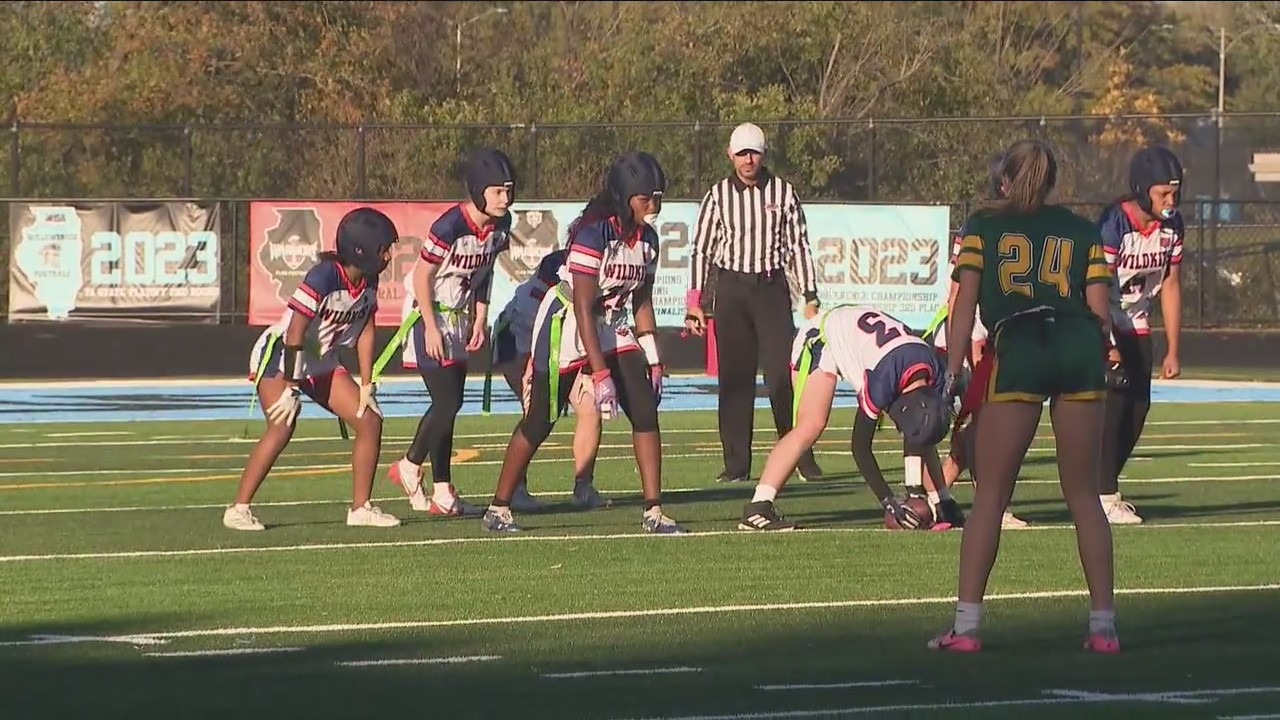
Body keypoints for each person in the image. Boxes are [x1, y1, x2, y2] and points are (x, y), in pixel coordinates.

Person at [929, 139, 1119, 654]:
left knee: (991, 496)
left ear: (1004, 180)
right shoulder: (1082, 232)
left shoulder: (984, 225)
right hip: (1078, 347)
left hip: (1022, 348)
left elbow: (963, 305)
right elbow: (1100, 316)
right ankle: (1103, 629)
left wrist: (952, 371)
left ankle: (966, 628)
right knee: (1084, 496)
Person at [482, 152, 683, 535]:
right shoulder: (594, 235)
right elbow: (584, 307)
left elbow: (642, 301)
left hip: (612, 323)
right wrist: (602, 373)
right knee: (540, 418)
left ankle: (654, 511)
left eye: (658, 197)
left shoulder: (648, 240)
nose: (654, 206)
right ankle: (499, 507)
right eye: (646, 198)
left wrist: (653, 357)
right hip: (567, 324)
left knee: (644, 408)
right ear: (625, 197)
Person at [225, 208, 401, 531]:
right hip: (282, 356)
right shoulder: (324, 276)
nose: (389, 255)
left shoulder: (369, 280)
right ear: (361, 249)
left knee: (370, 421)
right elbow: (295, 331)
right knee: (282, 426)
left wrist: (366, 382)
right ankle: (238, 508)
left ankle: (361, 508)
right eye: (383, 249)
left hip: (321, 359)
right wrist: (291, 386)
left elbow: (366, 329)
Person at [738, 305, 962, 532]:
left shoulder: (935, 376)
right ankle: (758, 506)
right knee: (811, 424)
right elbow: (860, 448)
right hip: (823, 336)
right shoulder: (882, 380)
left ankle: (942, 500)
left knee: (924, 429)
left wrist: (941, 501)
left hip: (870, 340)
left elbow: (922, 433)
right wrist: (888, 501)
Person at [686, 122, 824, 485]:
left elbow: (798, 246)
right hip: (732, 290)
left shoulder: (782, 192)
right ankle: (736, 464)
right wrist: (695, 301)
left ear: (764, 154)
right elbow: (702, 249)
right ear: (730, 155)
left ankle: (799, 454)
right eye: (742, 153)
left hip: (771, 289)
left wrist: (809, 295)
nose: (748, 160)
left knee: (782, 376)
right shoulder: (717, 196)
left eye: (754, 152)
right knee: (735, 380)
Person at [387, 148, 515, 518]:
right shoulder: (449, 226)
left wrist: (480, 318)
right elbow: (421, 276)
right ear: (477, 191)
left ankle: (443, 491)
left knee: (451, 404)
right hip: (429, 314)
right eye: (497, 191)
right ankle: (410, 464)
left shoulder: (500, 228)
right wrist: (429, 326)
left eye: (508, 190)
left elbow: (484, 274)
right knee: (448, 402)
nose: (505, 198)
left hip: (460, 317)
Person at [1095, 146, 1186, 525]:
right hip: (1104, 319)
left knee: (1137, 410)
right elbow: (1096, 285)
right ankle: (1102, 494)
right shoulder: (1114, 223)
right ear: (1141, 188)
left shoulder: (1172, 227)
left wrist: (1173, 349)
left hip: (1138, 323)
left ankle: (1102, 486)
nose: (1171, 201)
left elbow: (1170, 284)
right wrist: (1106, 341)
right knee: (1113, 409)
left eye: (1175, 193)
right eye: (1163, 193)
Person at [490, 247, 611, 512]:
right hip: (518, 346)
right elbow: (539, 340)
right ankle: (516, 489)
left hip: (563, 349)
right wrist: (529, 372)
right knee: (535, 414)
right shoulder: (539, 300)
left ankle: (584, 486)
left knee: (590, 407)